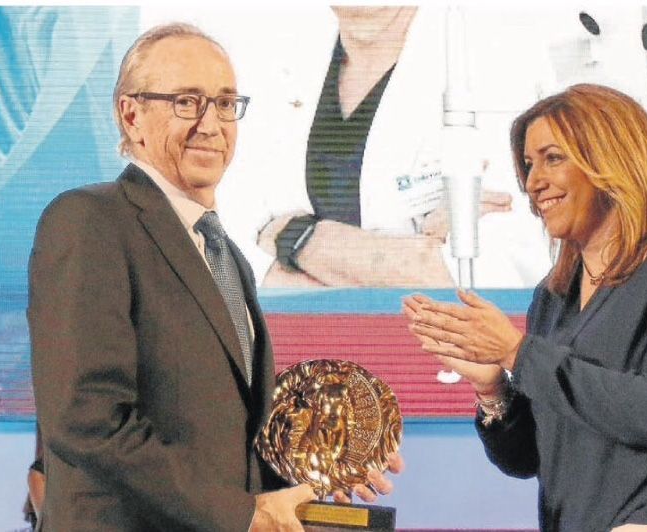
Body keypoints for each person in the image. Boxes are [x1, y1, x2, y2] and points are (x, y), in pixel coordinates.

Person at [28, 22, 399, 532]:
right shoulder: (90, 220)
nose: (211, 124)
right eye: (186, 102)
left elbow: (227, 440)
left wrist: (324, 456)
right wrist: (243, 515)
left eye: (225, 104)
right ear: (131, 115)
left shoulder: (226, 254)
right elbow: (88, 421)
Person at [403, 84, 647, 531]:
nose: (533, 182)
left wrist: (518, 353)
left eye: (553, 158)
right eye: (529, 164)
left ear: (612, 160)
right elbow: (531, 459)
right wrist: (494, 391)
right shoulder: (553, 297)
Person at [221, 6, 549, 288]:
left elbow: (484, 270)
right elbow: (228, 242)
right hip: (293, 332)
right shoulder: (274, 58)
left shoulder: (496, 60)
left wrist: (297, 238)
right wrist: (400, 258)